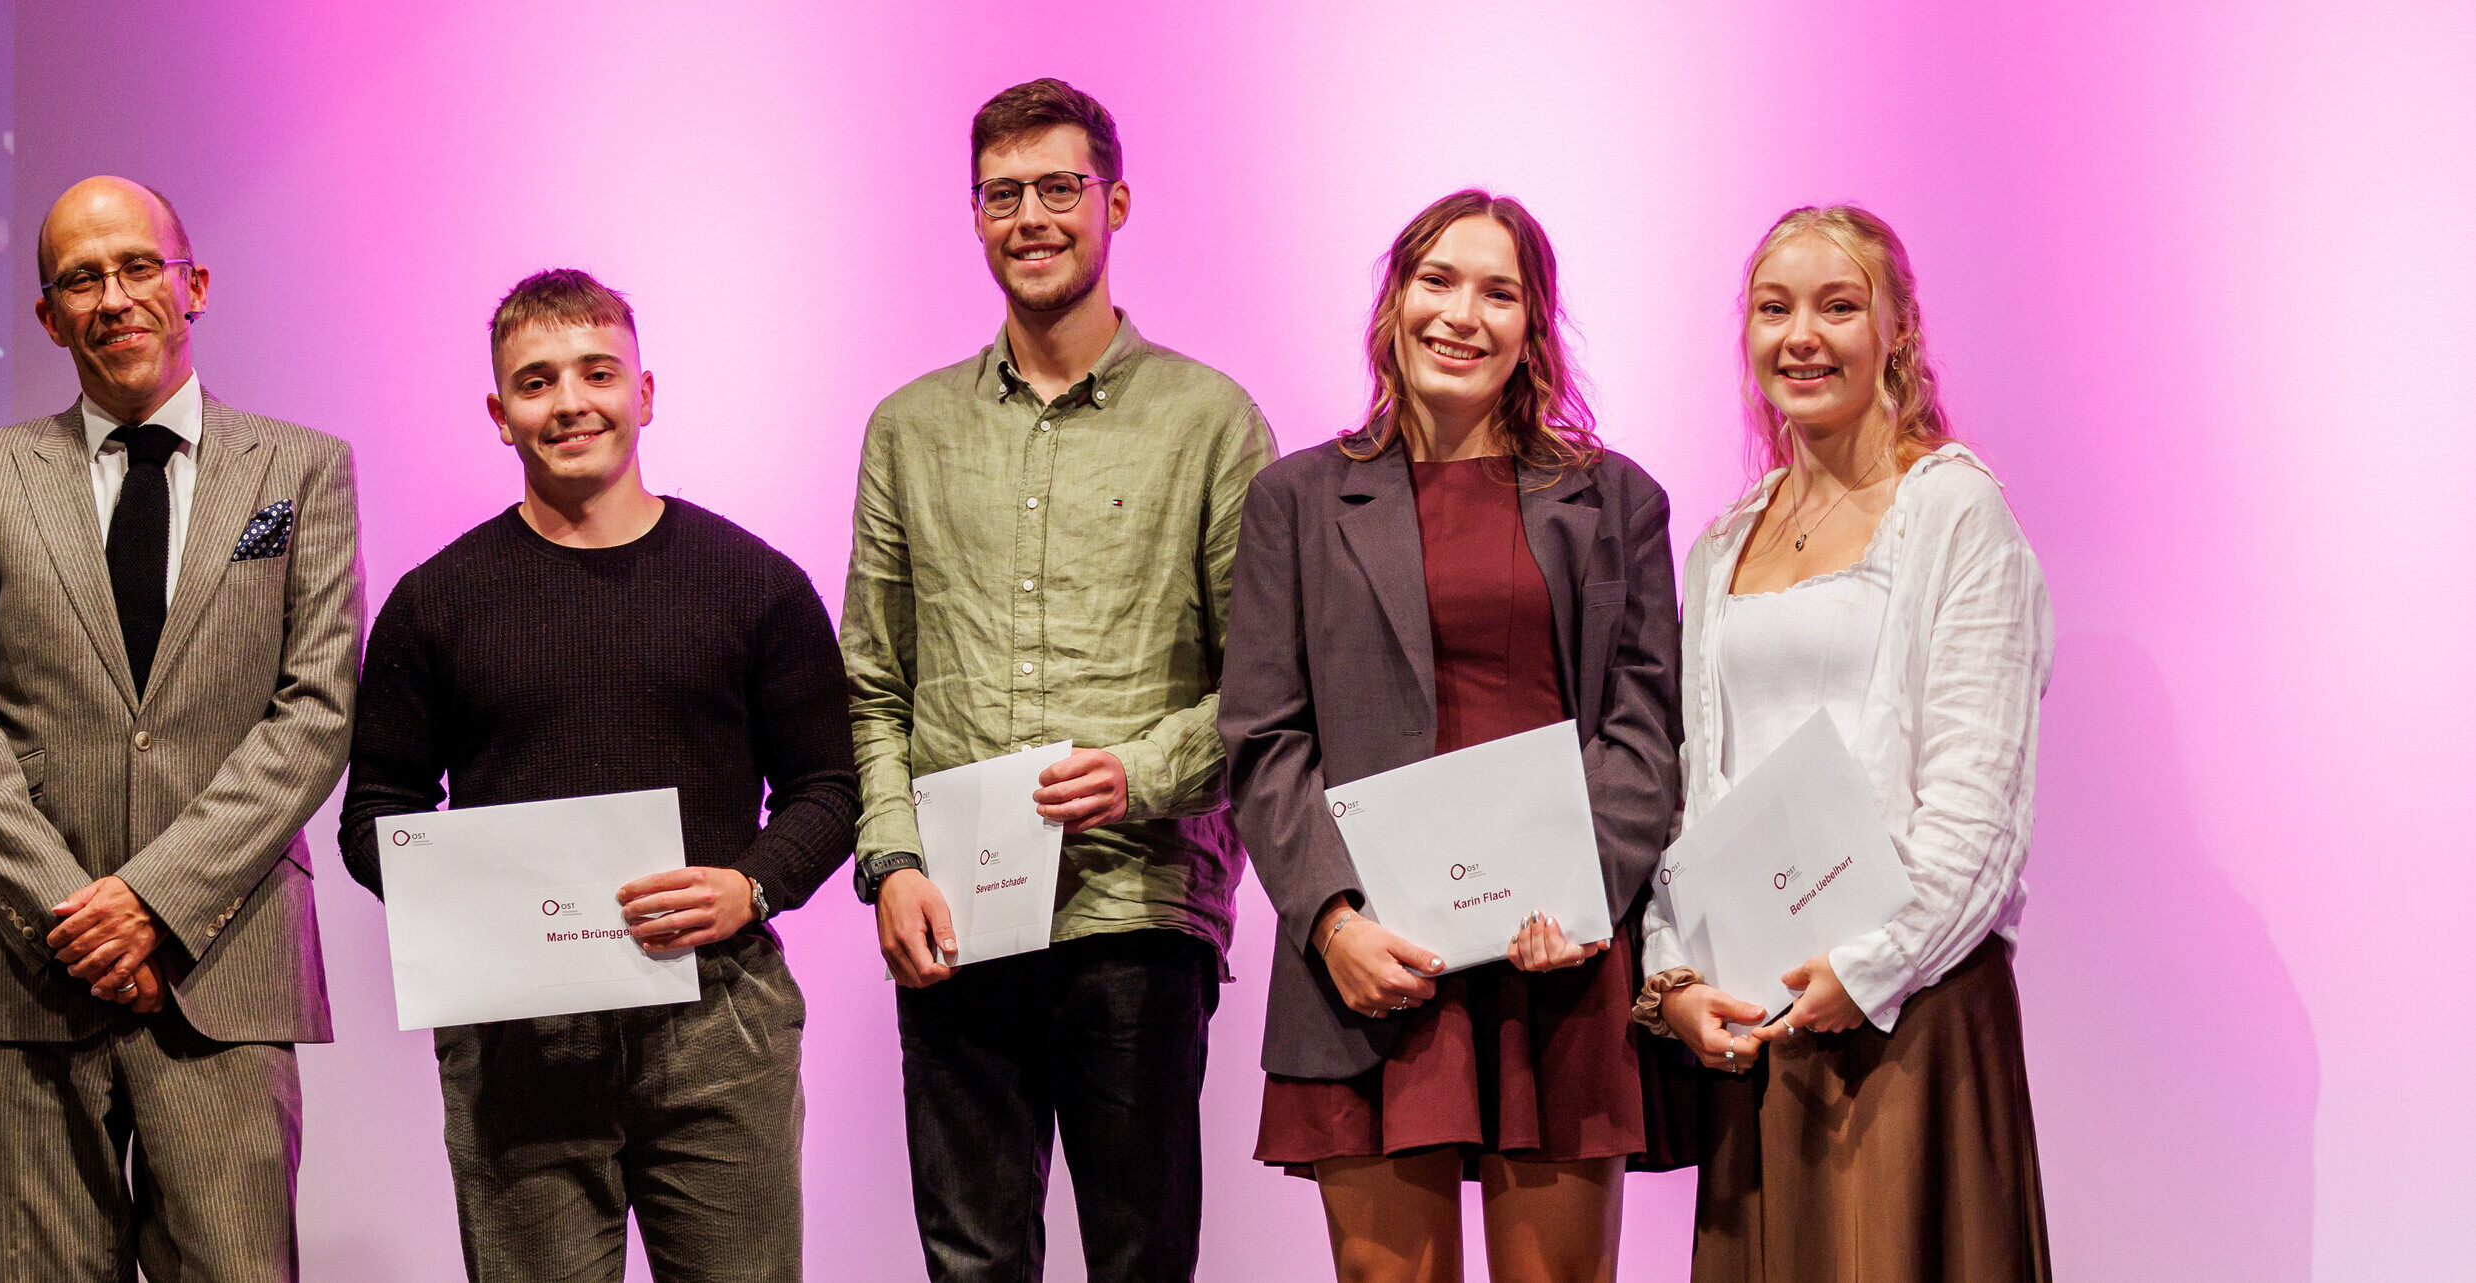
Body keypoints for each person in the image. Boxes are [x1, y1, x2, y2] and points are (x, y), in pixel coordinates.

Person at [337, 269, 858, 1283]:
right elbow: (376, 813)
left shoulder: (753, 581)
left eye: (597, 372)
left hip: (720, 1016)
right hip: (515, 1037)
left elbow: (829, 788)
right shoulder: (437, 601)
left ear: (646, 391)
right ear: (499, 413)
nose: (570, 401)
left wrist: (748, 884)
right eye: (536, 382)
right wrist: (476, 902)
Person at [839, 77, 1276, 1283]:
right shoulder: (907, 430)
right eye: (1001, 193)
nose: (1030, 215)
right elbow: (872, 682)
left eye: (1057, 188)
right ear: (974, 217)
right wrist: (894, 860)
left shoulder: (1212, 421)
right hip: (956, 917)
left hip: (1134, 911)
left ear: (1115, 201)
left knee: (1142, 1257)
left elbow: (1264, 687)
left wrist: (1138, 773)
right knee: (973, 1260)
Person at [1220, 189, 1685, 1283]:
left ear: (1534, 329)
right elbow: (1264, 734)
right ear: (1392, 303)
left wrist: (1583, 893)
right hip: (1371, 964)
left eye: (1498, 291)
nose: (1461, 314)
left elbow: (1644, 724)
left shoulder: (1616, 501)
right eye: (1437, 281)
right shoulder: (1294, 499)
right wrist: (1333, 920)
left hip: (1553, 960)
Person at [0, 176, 359, 1282]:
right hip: (26, 968)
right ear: (48, 316)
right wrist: (80, 919)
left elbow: (313, 709)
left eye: (136, 266)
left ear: (192, 283)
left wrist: (155, 904)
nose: (112, 296)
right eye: (79, 278)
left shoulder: (301, 469)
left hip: (226, 960)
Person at [1635, 204, 2055, 1281]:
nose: (1801, 336)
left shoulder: (1954, 510)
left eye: (1837, 305)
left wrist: (1868, 966)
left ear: (1897, 329)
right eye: (1774, 310)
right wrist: (1674, 973)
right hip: (1763, 1025)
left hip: (1909, 1018)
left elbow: (1979, 808)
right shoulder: (1724, 539)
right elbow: (1698, 791)